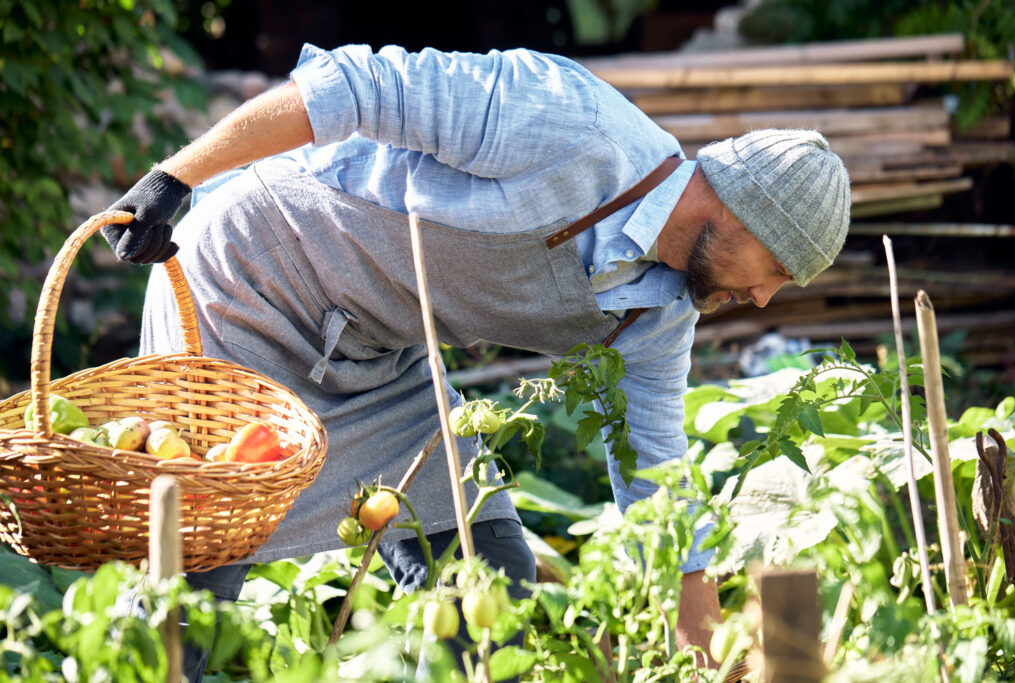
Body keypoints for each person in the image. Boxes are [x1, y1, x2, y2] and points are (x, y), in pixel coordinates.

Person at [103, 43, 850, 680]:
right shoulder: (573, 125)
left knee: (486, 568)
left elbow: (657, 469)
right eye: (776, 268)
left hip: (374, 357)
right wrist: (177, 178)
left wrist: (701, 640)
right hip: (252, 283)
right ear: (743, 209)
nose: (760, 298)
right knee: (199, 569)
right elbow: (356, 84)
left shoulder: (657, 313)